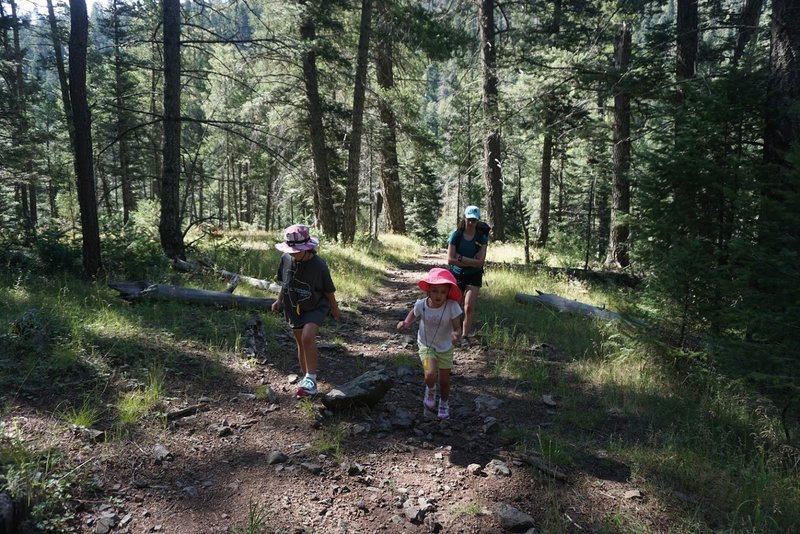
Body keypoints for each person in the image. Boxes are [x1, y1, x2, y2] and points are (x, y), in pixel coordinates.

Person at [271, 224, 340, 398]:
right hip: (293, 306)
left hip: (316, 305)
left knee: (308, 338)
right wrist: (279, 300)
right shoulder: (286, 258)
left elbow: (328, 290)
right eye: (291, 250)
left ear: (307, 248)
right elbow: (284, 282)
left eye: (296, 251)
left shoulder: (319, 265)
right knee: (300, 342)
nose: (293, 254)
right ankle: (306, 379)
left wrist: (334, 308)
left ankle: (311, 378)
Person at [397, 268, 463, 420]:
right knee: (430, 374)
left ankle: (444, 403)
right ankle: (431, 390)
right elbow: (413, 313)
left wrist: (456, 334)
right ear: (428, 290)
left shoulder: (452, 306)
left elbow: (457, 327)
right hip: (426, 344)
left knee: (444, 381)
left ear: (448, 293)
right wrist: (406, 322)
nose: (438, 295)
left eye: (443, 292)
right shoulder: (422, 304)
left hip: (445, 347)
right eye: (435, 291)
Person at [447, 205, 489, 342]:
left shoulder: (481, 237)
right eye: (469, 219)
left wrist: (462, 258)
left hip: (474, 275)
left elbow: (480, 262)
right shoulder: (456, 235)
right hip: (457, 274)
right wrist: (471, 261)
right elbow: (450, 260)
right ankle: (455, 334)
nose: (471, 223)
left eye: (474, 220)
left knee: (469, 307)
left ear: (478, 221)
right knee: (455, 306)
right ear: (464, 218)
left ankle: (465, 336)